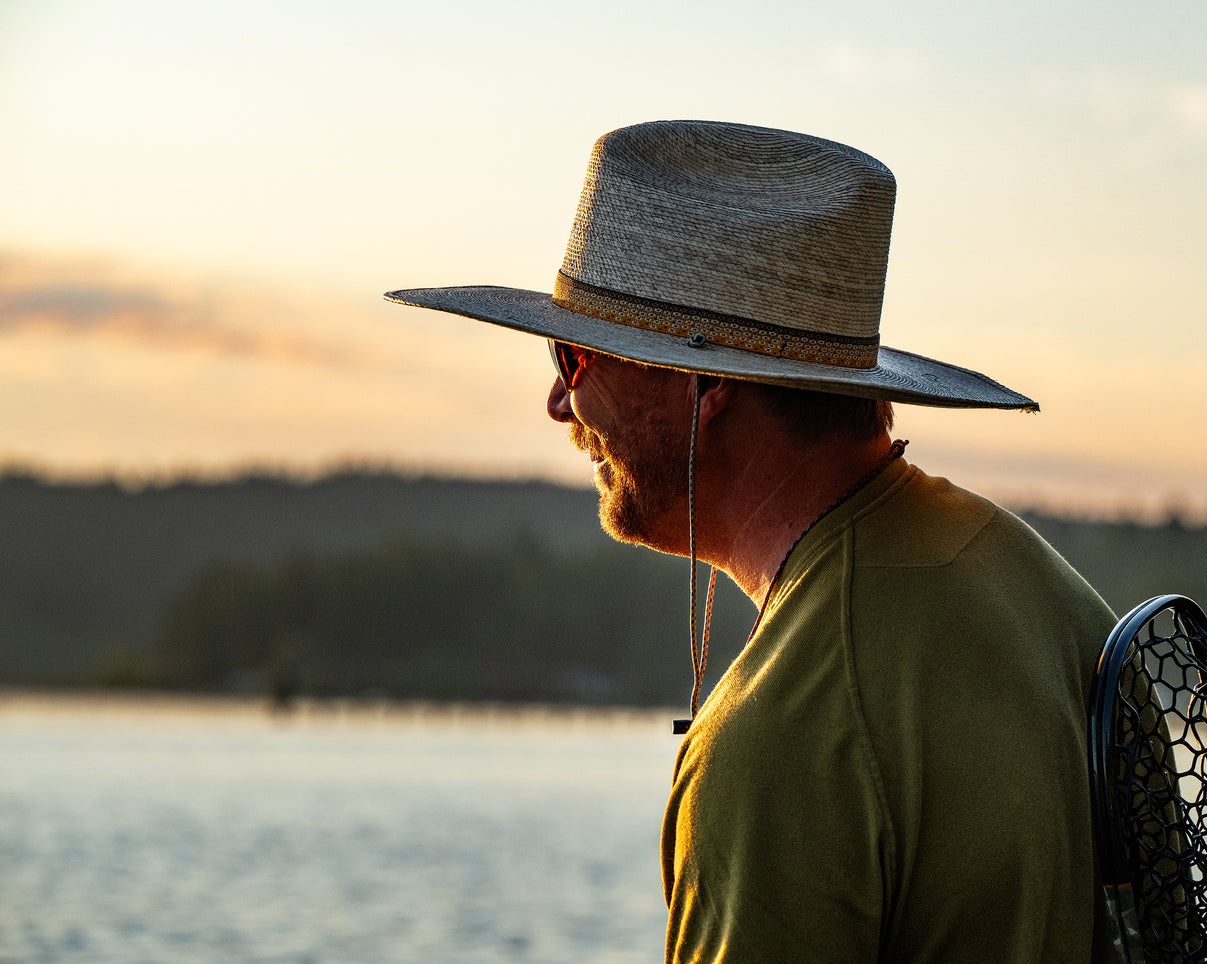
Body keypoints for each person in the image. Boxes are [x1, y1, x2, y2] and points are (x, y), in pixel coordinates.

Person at [387, 119, 1116, 962]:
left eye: (575, 357)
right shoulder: (1027, 580)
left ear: (707, 385)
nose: (558, 403)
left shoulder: (780, 738)